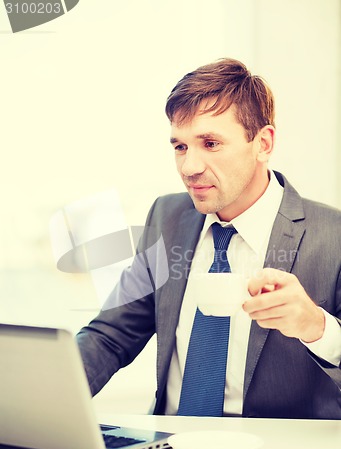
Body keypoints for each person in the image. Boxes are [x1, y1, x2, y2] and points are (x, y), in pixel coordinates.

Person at [77, 58, 341, 419]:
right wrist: (39, 401)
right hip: (165, 448)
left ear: (263, 143)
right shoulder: (167, 218)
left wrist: (318, 327)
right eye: (180, 147)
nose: (189, 168)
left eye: (211, 143)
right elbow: (110, 336)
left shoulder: (333, 235)